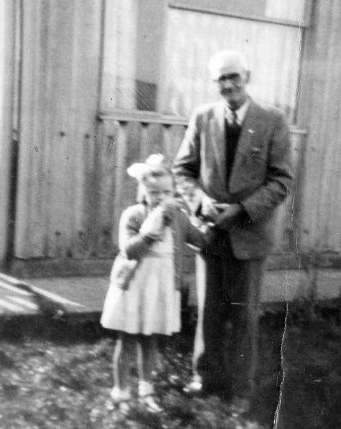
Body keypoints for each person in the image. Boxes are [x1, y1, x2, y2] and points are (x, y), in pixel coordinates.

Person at [172, 50, 294, 404]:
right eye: (220, 79)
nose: (227, 85)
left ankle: (240, 388)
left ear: (247, 77)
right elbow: (183, 170)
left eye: (233, 77)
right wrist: (200, 203)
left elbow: (282, 180)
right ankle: (204, 377)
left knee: (244, 316)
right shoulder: (203, 117)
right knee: (208, 311)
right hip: (210, 232)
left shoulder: (272, 120)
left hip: (250, 233)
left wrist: (241, 210)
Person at [100, 154, 205, 412]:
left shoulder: (178, 217)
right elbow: (129, 250)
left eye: (166, 192)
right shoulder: (134, 215)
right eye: (154, 192)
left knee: (150, 341)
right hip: (134, 285)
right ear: (143, 192)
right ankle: (121, 392)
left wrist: (205, 218)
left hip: (161, 287)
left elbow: (200, 239)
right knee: (127, 340)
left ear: (174, 192)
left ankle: (147, 390)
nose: (160, 197)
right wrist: (151, 230)